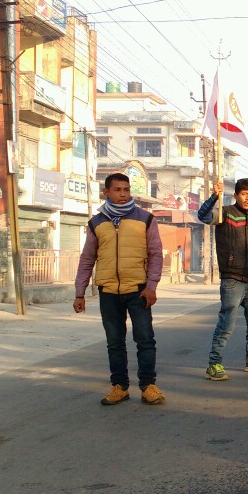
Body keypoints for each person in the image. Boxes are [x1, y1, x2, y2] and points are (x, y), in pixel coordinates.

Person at [74, 173, 166, 406]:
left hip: (138, 290)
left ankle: (148, 386)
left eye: (126, 190)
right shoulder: (96, 223)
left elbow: (155, 255)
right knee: (114, 342)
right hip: (108, 291)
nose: (123, 194)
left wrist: (151, 286)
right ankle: (119, 386)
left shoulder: (145, 219)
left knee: (145, 339)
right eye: (117, 190)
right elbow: (87, 259)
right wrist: (79, 292)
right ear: (106, 193)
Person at [198, 179, 248, 380]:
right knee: (226, 325)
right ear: (236, 195)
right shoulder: (225, 213)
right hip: (232, 280)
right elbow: (203, 215)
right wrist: (214, 196)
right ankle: (214, 364)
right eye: (244, 194)